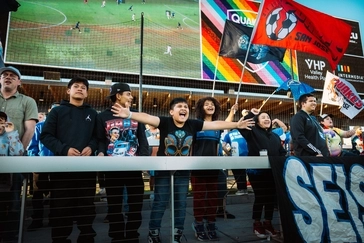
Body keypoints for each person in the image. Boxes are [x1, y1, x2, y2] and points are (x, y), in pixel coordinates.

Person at [111, 97, 254, 243]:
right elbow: (147, 117)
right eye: (179, 106)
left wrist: (237, 123)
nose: (183, 108)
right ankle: (153, 234)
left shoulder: (192, 124)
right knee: (160, 202)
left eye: (185, 106)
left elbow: (216, 124)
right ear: (171, 111)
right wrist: (128, 114)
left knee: (181, 203)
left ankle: (177, 235)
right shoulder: (165, 122)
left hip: (183, 172)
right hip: (164, 171)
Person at [40, 77, 98, 243]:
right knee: (61, 207)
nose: (80, 89)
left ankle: (86, 238)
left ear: (87, 93)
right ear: (68, 90)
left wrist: (91, 147)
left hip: (86, 169)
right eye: (76, 86)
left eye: (83, 87)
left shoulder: (92, 113)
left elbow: (96, 137)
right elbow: (46, 136)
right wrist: (65, 149)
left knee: (87, 207)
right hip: (62, 169)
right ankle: (60, 239)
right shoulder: (57, 111)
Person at [96, 83, 149, 243]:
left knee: (135, 204)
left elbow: (142, 139)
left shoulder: (135, 116)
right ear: (118, 96)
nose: (131, 96)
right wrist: (100, 152)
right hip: (112, 168)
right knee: (114, 205)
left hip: (133, 167)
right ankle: (117, 237)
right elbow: (99, 139)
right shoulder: (102, 117)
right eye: (128, 94)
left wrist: (144, 159)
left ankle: (133, 235)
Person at [0, 66, 38, 240]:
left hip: (13, 159)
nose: (8, 77)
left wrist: (18, 156)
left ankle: (10, 237)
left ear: (19, 81)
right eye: (5, 75)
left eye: (12, 76)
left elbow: (29, 130)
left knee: (13, 201)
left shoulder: (27, 101)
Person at [238, 108, 286, 239]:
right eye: (263, 117)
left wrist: (284, 157)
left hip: (273, 171)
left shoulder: (275, 136)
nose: (267, 119)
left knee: (271, 198)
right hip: (256, 172)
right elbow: (242, 125)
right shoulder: (251, 132)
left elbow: (281, 151)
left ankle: (268, 223)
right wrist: (252, 114)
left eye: (268, 118)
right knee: (260, 197)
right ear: (257, 122)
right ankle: (257, 223)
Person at [190, 97, 223, 241]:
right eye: (206, 104)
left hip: (213, 168)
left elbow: (216, 147)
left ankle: (211, 224)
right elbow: (191, 147)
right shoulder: (196, 125)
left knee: (212, 198)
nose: (210, 106)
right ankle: (198, 225)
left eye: (212, 104)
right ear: (201, 108)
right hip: (197, 168)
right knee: (199, 198)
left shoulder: (217, 127)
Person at [27, 102, 60, 231]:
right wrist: (34, 161)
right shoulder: (39, 126)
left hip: (58, 165)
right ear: (49, 111)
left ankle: (53, 218)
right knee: (37, 193)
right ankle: (37, 219)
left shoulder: (63, 128)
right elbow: (32, 146)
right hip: (40, 164)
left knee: (56, 193)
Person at [0, 111, 24, 242]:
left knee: (12, 207)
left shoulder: (10, 136)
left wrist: (11, 133)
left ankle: (10, 236)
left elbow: (18, 154)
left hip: (9, 181)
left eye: (1, 120)